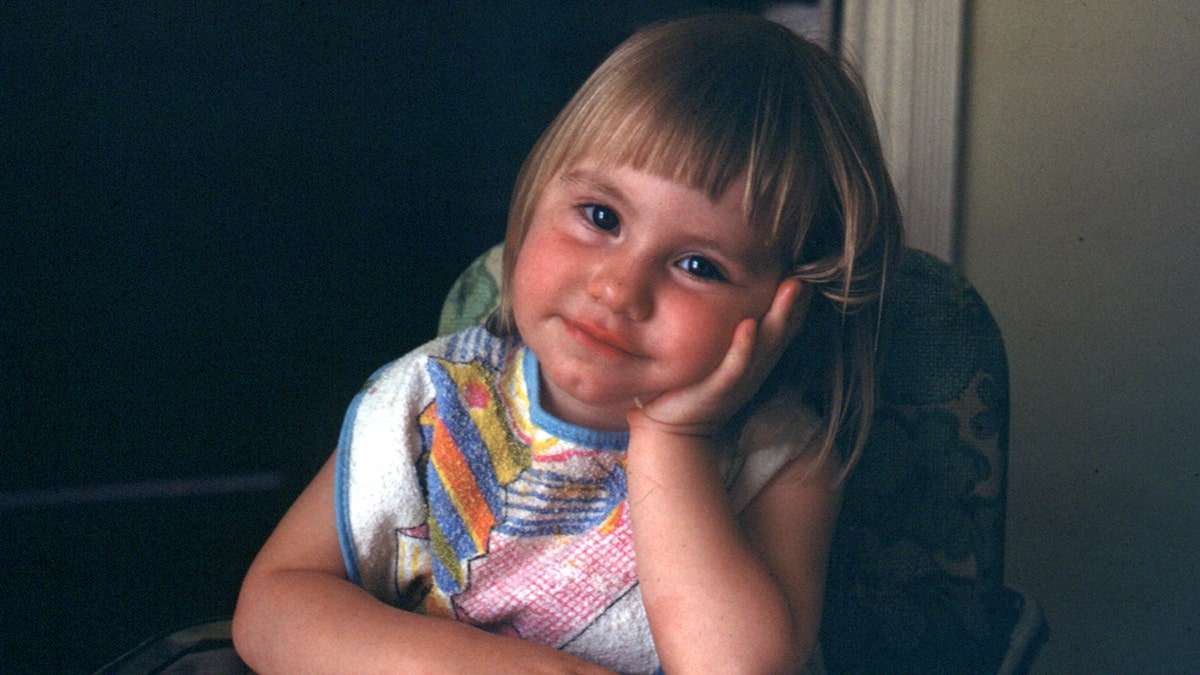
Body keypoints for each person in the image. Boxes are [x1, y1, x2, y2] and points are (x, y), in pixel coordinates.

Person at [232, 12, 902, 674]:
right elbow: (271, 606)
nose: (618, 289)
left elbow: (733, 666)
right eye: (601, 216)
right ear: (534, 197)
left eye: (699, 265)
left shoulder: (782, 458)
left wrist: (675, 439)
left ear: (786, 311)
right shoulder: (432, 400)